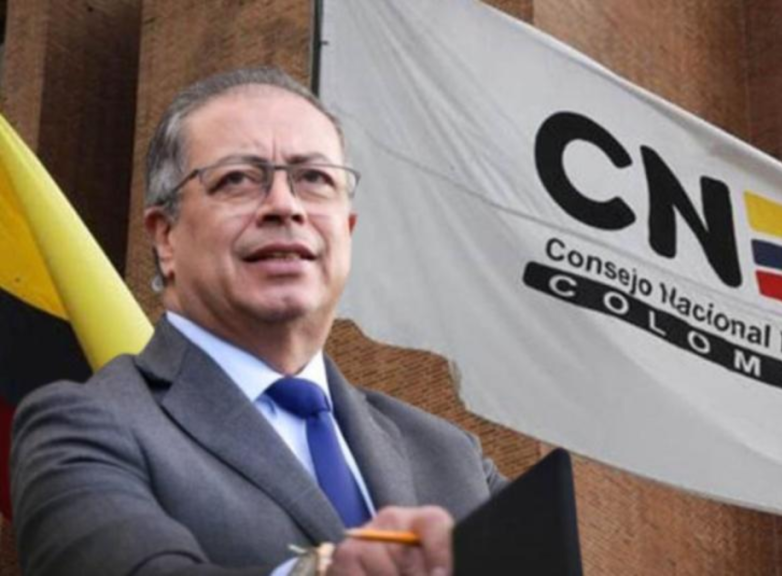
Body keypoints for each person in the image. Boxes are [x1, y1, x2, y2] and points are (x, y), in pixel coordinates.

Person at [11, 67, 505, 576]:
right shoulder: (79, 428)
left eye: (314, 179)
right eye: (238, 179)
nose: (285, 207)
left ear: (348, 230)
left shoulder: (452, 456)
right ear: (165, 237)